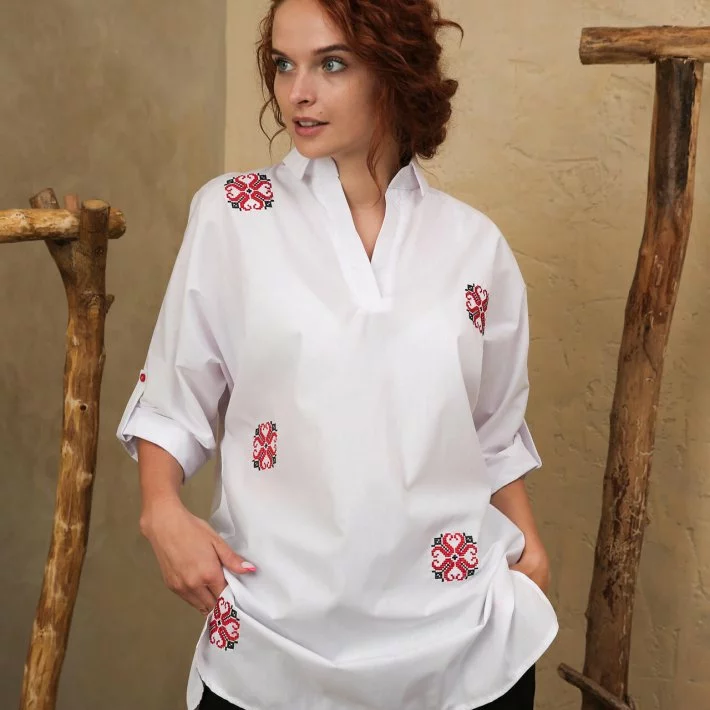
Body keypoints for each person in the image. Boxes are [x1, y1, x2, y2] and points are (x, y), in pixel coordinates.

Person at [116, 0, 559, 708]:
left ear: (394, 70)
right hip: (273, 642)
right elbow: (174, 397)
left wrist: (528, 549)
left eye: (331, 64)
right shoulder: (233, 215)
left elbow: (491, 435)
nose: (298, 92)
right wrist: (160, 511)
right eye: (283, 65)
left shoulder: (475, 247)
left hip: (460, 647)